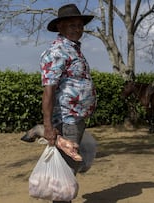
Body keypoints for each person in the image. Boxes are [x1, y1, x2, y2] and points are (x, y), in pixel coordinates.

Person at [40, 3, 97, 203]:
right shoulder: (57, 51)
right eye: (72, 25)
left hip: (76, 118)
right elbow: (49, 90)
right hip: (66, 119)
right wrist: (48, 126)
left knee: (68, 168)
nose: (78, 29)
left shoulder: (73, 49)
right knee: (65, 170)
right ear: (60, 27)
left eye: (80, 25)